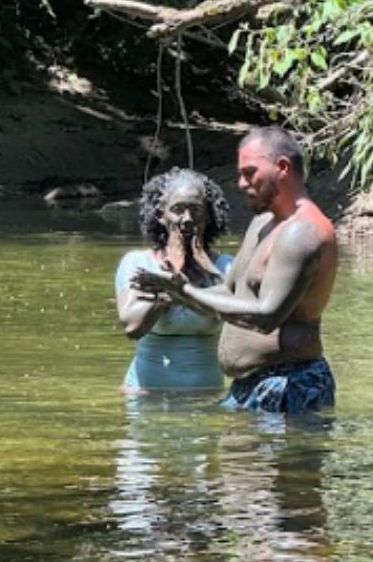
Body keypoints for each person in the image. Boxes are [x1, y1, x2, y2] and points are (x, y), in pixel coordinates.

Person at [132, 127, 338, 413]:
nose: (241, 183)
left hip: (289, 384)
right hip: (248, 385)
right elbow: (230, 291)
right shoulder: (263, 224)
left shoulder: (302, 232)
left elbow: (267, 316)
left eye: (250, 172)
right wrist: (174, 288)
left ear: (282, 168)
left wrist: (185, 291)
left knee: (277, 460)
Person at [116, 167, 232, 392]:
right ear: (161, 215)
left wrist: (209, 270)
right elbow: (132, 327)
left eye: (196, 210)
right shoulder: (139, 263)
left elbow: (242, 316)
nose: (187, 219)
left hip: (205, 400)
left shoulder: (225, 267)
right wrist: (168, 291)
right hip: (144, 396)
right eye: (178, 210)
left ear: (208, 216)